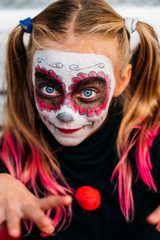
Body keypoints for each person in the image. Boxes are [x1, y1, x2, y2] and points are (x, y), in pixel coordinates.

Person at [0, 0, 160, 239]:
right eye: (49, 89)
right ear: (31, 77)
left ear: (122, 80)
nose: (66, 112)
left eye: (88, 92)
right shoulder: (15, 153)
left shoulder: (149, 144)